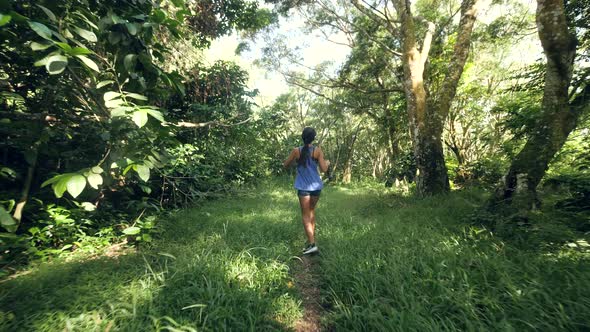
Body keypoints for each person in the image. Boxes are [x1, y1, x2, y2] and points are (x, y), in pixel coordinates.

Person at [283, 127, 330, 255]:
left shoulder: (296, 151)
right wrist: (327, 162)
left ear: (302, 137)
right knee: (311, 212)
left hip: (303, 188)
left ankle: (312, 244)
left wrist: (295, 163)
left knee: (305, 215)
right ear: (313, 138)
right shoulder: (317, 151)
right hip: (316, 188)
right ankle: (311, 241)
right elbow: (324, 169)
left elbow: (285, 165)